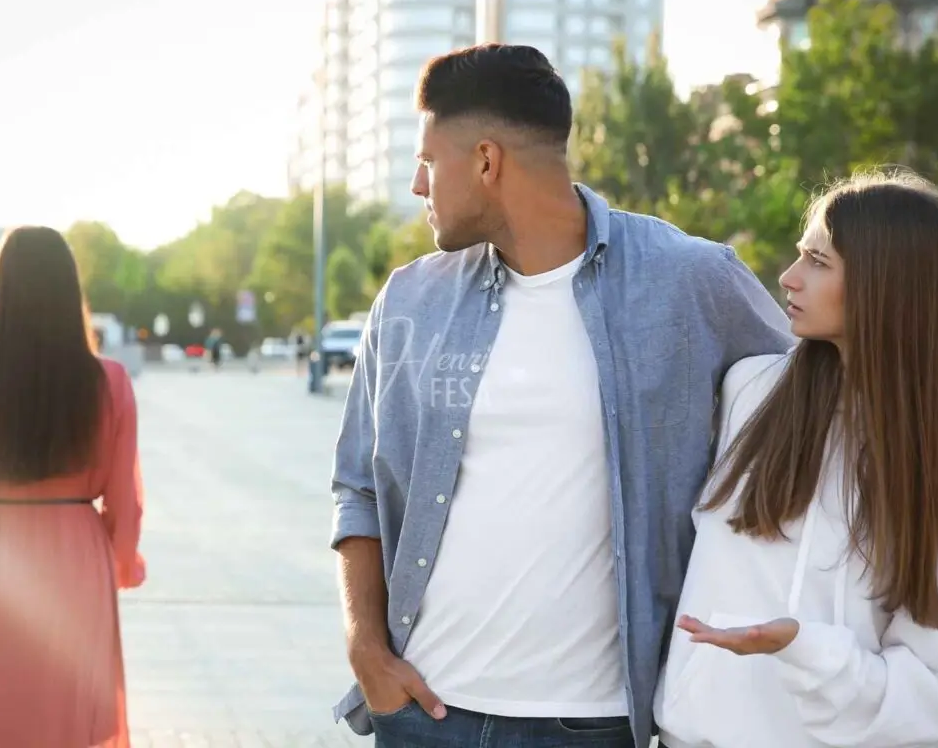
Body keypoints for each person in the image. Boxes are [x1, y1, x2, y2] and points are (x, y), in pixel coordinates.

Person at [328, 43, 793, 748]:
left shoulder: (690, 281)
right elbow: (358, 487)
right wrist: (365, 648)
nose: (419, 185)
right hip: (425, 713)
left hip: (593, 723)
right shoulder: (409, 301)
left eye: (428, 161)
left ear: (486, 161)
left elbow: (828, 406)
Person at [653, 170, 938, 747]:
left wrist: (807, 649)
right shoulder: (749, 389)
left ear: (887, 283)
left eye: (818, 262)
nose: (789, 277)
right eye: (800, 254)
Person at [0, 226, 146, 748]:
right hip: (78, 560)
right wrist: (121, 563)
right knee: (71, 717)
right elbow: (125, 501)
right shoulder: (110, 381)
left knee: (0, 713)